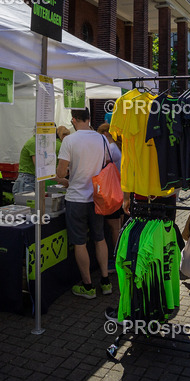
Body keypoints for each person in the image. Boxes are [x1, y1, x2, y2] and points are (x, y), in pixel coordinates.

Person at [56, 109, 111, 299]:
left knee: (80, 242)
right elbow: (105, 164)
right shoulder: (101, 139)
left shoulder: (69, 140)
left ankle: (88, 286)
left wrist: (62, 175)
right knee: (99, 238)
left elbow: (61, 173)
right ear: (89, 119)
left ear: (73, 120)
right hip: (97, 196)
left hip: (76, 198)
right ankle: (105, 281)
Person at [97, 123, 123, 258]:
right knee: (118, 226)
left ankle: (116, 256)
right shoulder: (118, 146)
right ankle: (120, 253)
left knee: (114, 227)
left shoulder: (110, 148)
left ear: (106, 134)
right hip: (120, 190)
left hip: (112, 191)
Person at [14, 129, 65, 195]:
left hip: (34, 180)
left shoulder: (41, 143)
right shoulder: (34, 143)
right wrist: (63, 180)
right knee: (28, 204)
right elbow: (42, 168)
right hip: (27, 181)